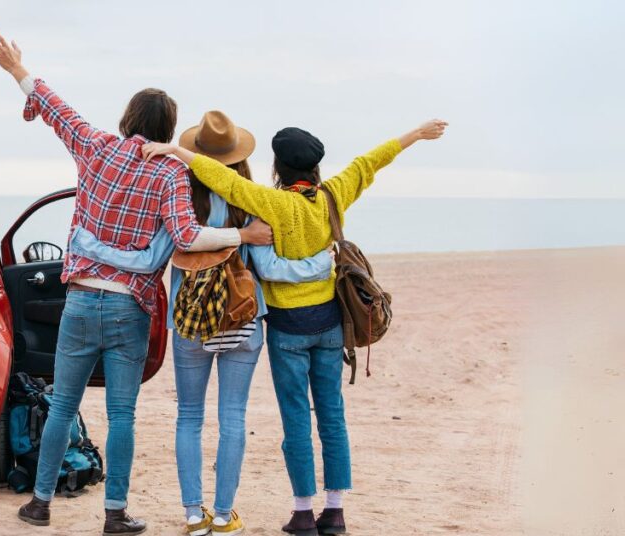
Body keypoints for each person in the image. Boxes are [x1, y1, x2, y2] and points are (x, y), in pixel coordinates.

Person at [0, 32, 275, 535]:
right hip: (128, 308)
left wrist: (17, 69)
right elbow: (186, 235)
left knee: (62, 408)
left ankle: (40, 504)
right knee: (121, 416)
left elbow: (55, 108)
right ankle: (114, 513)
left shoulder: (95, 147)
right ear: (168, 130)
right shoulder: (168, 175)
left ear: (126, 119)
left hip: (78, 303)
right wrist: (242, 233)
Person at [140, 119, 448, 535]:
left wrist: (178, 152)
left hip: (288, 331)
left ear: (278, 169)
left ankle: (303, 512)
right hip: (329, 326)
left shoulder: (271, 203)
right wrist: (414, 135)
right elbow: (370, 162)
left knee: (296, 421)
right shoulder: (333, 196)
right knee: (333, 416)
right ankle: (335, 512)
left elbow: (222, 180)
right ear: (316, 168)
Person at [67, 110, 334, 536]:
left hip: (190, 320)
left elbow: (157, 251)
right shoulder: (252, 200)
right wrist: (324, 263)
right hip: (243, 320)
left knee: (188, 417)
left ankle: (194, 515)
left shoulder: (178, 193)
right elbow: (267, 264)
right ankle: (224, 515)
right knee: (233, 417)